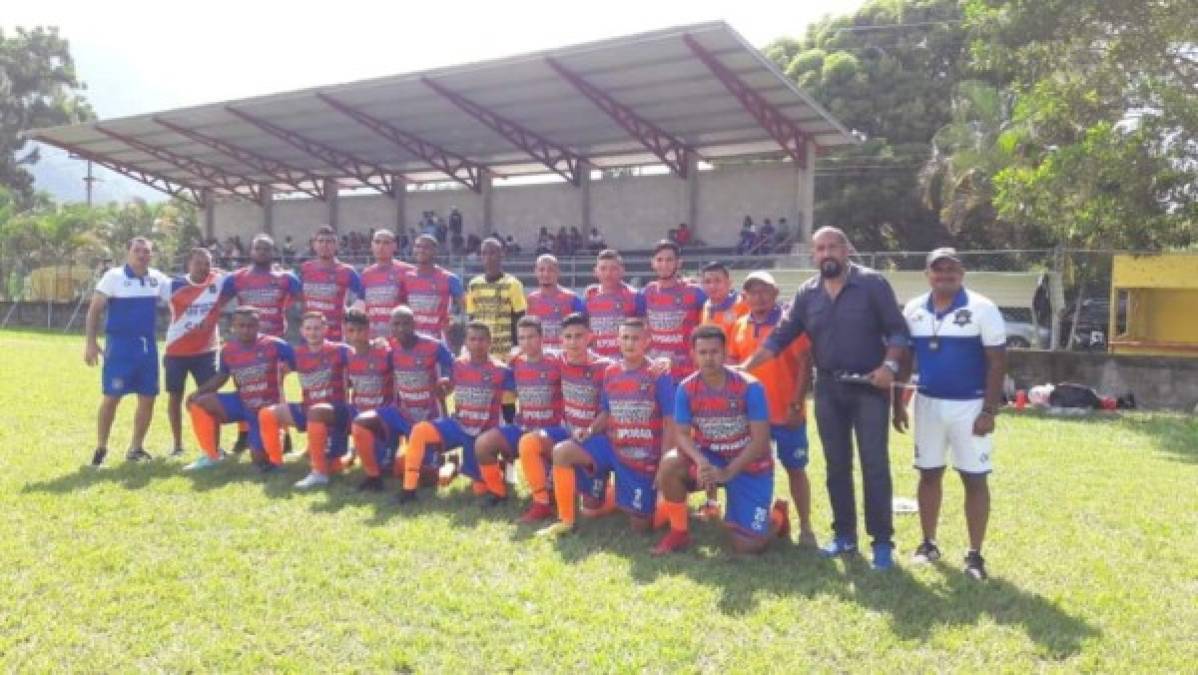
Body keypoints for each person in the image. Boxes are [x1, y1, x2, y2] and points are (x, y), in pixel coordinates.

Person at [739, 227, 909, 570]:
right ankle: (844, 536)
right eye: (820, 248)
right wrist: (743, 368)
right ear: (814, 255)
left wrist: (890, 366)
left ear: (846, 250)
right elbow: (781, 338)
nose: (827, 253)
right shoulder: (807, 293)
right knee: (836, 465)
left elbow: (898, 331)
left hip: (870, 387)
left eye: (833, 247)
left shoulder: (873, 284)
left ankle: (881, 543)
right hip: (829, 390)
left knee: (874, 465)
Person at [893, 248, 1006, 580]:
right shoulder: (913, 308)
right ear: (927, 274)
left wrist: (989, 409)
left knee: (974, 477)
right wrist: (898, 402)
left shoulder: (982, 308)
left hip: (970, 406)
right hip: (927, 403)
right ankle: (928, 544)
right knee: (928, 474)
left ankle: (974, 555)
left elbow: (997, 362)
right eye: (937, 269)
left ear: (963, 272)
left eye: (951, 269)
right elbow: (906, 360)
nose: (945, 275)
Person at [653, 325, 790, 555]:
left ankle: (777, 516)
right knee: (670, 463)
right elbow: (682, 434)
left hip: (749, 465)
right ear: (693, 355)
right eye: (703, 352)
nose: (709, 358)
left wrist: (729, 472)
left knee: (748, 547)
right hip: (712, 458)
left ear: (725, 353)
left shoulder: (750, 386)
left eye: (714, 352)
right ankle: (679, 532)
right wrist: (700, 460)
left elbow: (760, 441)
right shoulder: (686, 389)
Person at [537, 318, 674, 537]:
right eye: (625, 337)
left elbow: (670, 421)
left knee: (641, 530)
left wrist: (664, 462)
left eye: (636, 338)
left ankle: (666, 504)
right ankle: (566, 520)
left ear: (647, 341)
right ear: (618, 340)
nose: (630, 343)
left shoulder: (658, 374)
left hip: (642, 455)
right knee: (562, 451)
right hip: (611, 445)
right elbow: (606, 411)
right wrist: (590, 431)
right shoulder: (611, 371)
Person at [727, 271, 818, 547]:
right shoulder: (740, 324)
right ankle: (758, 518)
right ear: (745, 297)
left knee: (795, 469)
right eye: (753, 292)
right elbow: (734, 366)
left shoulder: (789, 324)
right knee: (753, 469)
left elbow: (805, 364)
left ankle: (806, 528)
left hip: (786, 412)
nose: (759, 297)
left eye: (765, 290)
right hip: (752, 417)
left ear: (776, 292)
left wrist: (796, 404)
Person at [396, 322, 514, 504]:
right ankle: (408, 490)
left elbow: (520, 392)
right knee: (419, 431)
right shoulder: (458, 365)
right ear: (466, 342)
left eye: (482, 339)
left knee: (479, 490)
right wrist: (445, 386)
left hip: (482, 434)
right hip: (458, 425)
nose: (477, 344)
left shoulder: (501, 370)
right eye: (472, 339)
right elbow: (450, 385)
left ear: (490, 342)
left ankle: (494, 470)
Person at [83, 237, 171, 466]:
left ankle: (136, 447)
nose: (142, 254)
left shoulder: (157, 279)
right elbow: (94, 311)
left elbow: (180, 293)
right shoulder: (113, 277)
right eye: (137, 250)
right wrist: (91, 343)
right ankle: (101, 447)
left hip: (147, 348)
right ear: (128, 252)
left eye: (147, 251)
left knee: (148, 398)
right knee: (112, 398)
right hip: (120, 348)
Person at [520, 313, 613, 524]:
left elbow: (608, 411)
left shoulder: (606, 367)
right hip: (568, 431)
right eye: (568, 337)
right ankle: (543, 503)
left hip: (597, 438)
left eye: (579, 336)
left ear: (590, 337)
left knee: (590, 510)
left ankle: (615, 492)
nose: (573, 342)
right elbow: (529, 355)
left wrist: (589, 431)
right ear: (561, 339)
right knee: (529, 442)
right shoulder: (558, 360)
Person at [350, 306, 455, 492]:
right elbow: (372, 359)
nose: (401, 328)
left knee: (427, 479)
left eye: (406, 323)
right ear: (390, 327)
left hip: (428, 417)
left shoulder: (434, 346)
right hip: (400, 412)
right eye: (396, 324)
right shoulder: (390, 347)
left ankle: (451, 463)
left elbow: (457, 367)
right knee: (360, 423)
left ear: (414, 324)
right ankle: (373, 477)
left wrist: (448, 383)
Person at [185, 308, 297, 472]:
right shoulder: (229, 350)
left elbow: (301, 363)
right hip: (242, 402)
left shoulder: (275, 345)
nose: (245, 330)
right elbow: (222, 377)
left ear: (259, 326)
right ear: (233, 327)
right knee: (200, 403)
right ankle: (211, 456)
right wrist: (198, 392)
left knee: (260, 461)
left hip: (267, 409)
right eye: (241, 325)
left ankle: (274, 443)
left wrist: (288, 369)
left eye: (250, 326)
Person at [473, 317, 567, 507]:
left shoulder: (558, 361)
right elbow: (493, 374)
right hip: (523, 428)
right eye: (522, 338)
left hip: (552, 433)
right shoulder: (515, 362)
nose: (526, 342)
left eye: (531, 336)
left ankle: (545, 490)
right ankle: (498, 492)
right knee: (483, 444)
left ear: (542, 337)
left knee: (555, 498)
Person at [255, 312, 352, 489]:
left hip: (333, 413)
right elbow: (279, 370)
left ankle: (345, 458)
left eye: (317, 328)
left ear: (325, 330)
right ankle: (276, 462)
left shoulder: (340, 350)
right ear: (302, 331)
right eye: (308, 328)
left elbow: (363, 356)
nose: (312, 332)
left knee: (334, 466)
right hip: (307, 408)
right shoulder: (297, 353)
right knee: (267, 413)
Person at [163, 247, 225, 457]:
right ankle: (177, 444)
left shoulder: (219, 281)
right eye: (198, 262)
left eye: (207, 263)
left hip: (206, 352)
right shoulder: (172, 285)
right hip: (176, 352)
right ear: (188, 264)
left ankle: (214, 446)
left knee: (210, 398)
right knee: (175, 397)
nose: (203, 267)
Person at [465, 238, 526, 422]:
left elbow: (519, 318)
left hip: (506, 352)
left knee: (507, 399)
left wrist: (516, 348)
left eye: (493, 253)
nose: (489, 257)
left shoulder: (513, 284)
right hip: (481, 352)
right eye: (485, 253)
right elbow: (472, 320)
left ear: (502, 255)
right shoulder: (474, 284)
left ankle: (508, 441)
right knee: (482, 397)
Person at [636, 240, 707, 381]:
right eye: (660, 260)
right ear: (653, 263)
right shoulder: (646, 292)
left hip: (686, 372)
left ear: (679, 263)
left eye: (669, 260)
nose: (664, 265)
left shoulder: (695, 292)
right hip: (654, 372)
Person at [220, 234, 300, 339]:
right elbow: (219, 304)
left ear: (273, 252)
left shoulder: (287, 277)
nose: (261, 252)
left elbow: (303, 302)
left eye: (266, 249)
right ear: (251, 251)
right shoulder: (236, 277)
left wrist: (284, 306)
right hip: (246, 339)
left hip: (276, 339)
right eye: (257, 248)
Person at [298, 225, 363, 341]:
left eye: (329, 241)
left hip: (334, 336)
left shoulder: (346, 271)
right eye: (321, 241)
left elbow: (365, 295)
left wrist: (351, 312)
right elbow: (293, 293)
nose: (324, 245)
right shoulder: (305, 268)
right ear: (314, 245)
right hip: (308, 336)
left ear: (336, 245)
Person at [399, 234, 464, 342]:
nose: (421, 250)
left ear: (435, 251)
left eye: (426, 247)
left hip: (438, 341)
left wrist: (456, 325)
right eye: (418, 246)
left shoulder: (449, 278)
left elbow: (468, 305)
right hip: (411, 340)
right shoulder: (405, 277)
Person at [583, 249, 638, 360]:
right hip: (595, 361)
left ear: (622, 270)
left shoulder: (634, 296)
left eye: (613, 269)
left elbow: (642, 332)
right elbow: (584, 329)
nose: (608, 273)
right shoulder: (589, 295)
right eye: (603, 269)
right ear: (595, 271)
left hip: (623, 362)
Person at [526, 254, 585, 349]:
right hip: (540, 356)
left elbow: (584, 330)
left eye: (550, 270)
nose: (546, 274)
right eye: (541, 270)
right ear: (535, 272)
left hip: (565, 356)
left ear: (558, 272)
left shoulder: (573, 298)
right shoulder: (531, 300)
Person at [360, 229, 410, 340]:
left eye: (386, 243)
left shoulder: (408, 272)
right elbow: (361, 305)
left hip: (399, 339)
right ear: (372, 245)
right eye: (377, 242)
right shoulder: (366, 274)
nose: (381, 246)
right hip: (373, 340)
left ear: (394, 246)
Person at [699, 261, 749, 342]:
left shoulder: (743, 304)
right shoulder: (706, 306)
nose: (712, 286)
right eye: (707, 282)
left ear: (729, 283)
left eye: (718, 281)